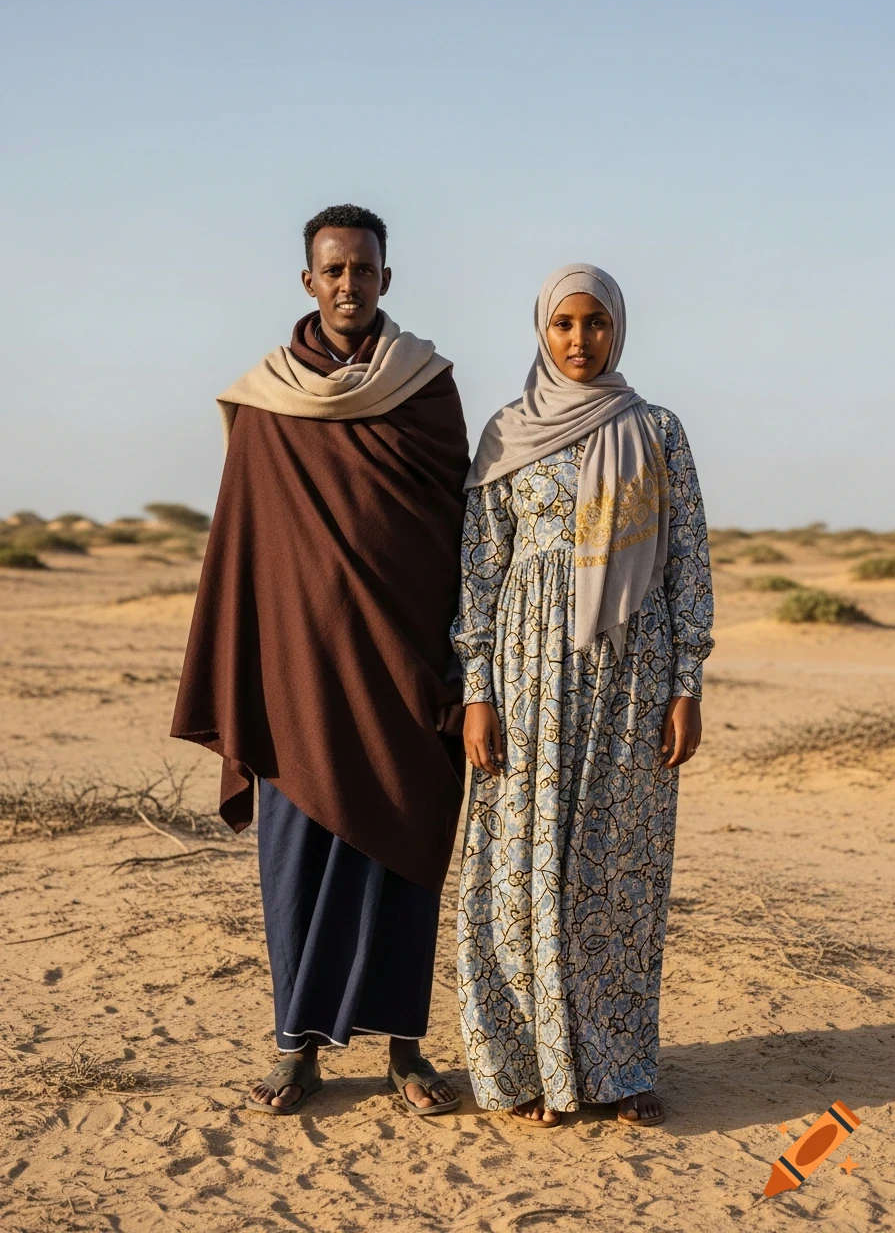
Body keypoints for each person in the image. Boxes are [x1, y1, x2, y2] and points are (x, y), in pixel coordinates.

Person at [171, 204, 469, 1116]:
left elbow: (462, 531)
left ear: (388, 278)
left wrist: (460, 667)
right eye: (333, 270)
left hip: (404, 669)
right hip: (297, 675)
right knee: (295, 865)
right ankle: (295, 1047)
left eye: (365, 269)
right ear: (308, 281)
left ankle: (407, 1052)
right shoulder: (266, 403)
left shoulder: (426, 388)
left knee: (408, 857)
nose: (349, 284)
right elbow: (245, 548)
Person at [451, 264, 714, 1128]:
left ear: (618, 329)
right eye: (563, 324)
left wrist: (686, 684)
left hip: (631, 681)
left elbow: (686, 567)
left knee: (617, 876)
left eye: (594, 323)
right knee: (520, 871)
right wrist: (479, 692)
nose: (578, 340)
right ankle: (533, 1067)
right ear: (541, 329)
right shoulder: (505, 435)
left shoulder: (658, 430)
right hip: (527, 682)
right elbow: (480, 574)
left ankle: (620, 1069)